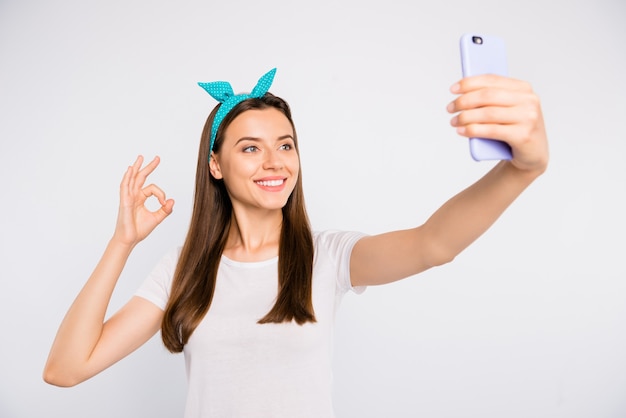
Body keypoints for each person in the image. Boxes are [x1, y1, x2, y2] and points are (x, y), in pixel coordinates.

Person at [43, 67, 548, 417]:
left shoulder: (327, 257)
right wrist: (122, 242)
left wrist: (521, 171)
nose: (275, 162)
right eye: (250, 148)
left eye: (285, 145)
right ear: (215, 166)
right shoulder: (186, 269)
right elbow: (66, 369)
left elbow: (432, 244)